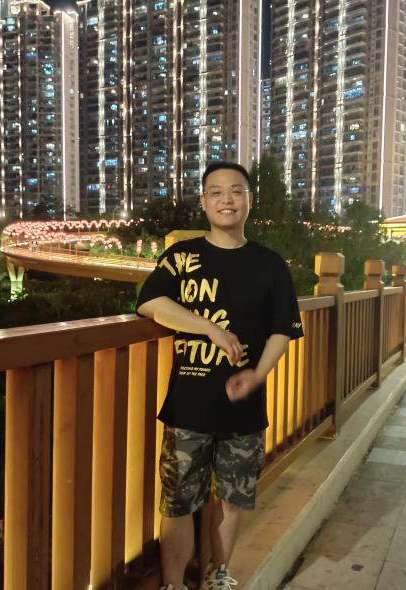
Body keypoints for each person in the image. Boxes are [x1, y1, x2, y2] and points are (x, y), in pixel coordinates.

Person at [137, 162, 304, 590]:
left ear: (249, 199)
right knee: (177, 503)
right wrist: (209, 328)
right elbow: (150, 302)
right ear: (204, 201)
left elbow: (282, 329)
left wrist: (258, 375)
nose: (226, 199)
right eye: (216, 192)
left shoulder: (271, 265)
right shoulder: (182, 256)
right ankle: (174, 583)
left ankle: (220, 572)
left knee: (232, 499)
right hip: (188, 406)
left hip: (243, 408)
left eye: (236, 191)